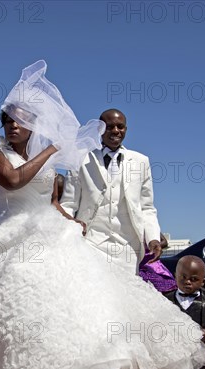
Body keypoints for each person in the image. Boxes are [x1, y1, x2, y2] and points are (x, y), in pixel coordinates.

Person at [0, 61, 205, 369]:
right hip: (9, 233)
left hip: (53, 231)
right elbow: (14, 179)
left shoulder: (125, 160)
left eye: (20, 121)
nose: (13, 126)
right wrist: (53, 149)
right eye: (8, 120)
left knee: (73, 306)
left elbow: (52, 201)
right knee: (13, 305)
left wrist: (69, 218)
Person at [60, 108, 162, 275]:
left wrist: (153, 238)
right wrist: (67, 231)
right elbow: (69, 203)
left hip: (128, 247)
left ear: (126, 129)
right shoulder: (80, 159)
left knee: (126, 297)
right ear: (100, 129)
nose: (116, 131)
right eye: (109, 127)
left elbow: (147, 208)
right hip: (90, 242)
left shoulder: (141, 162)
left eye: (120, 127)